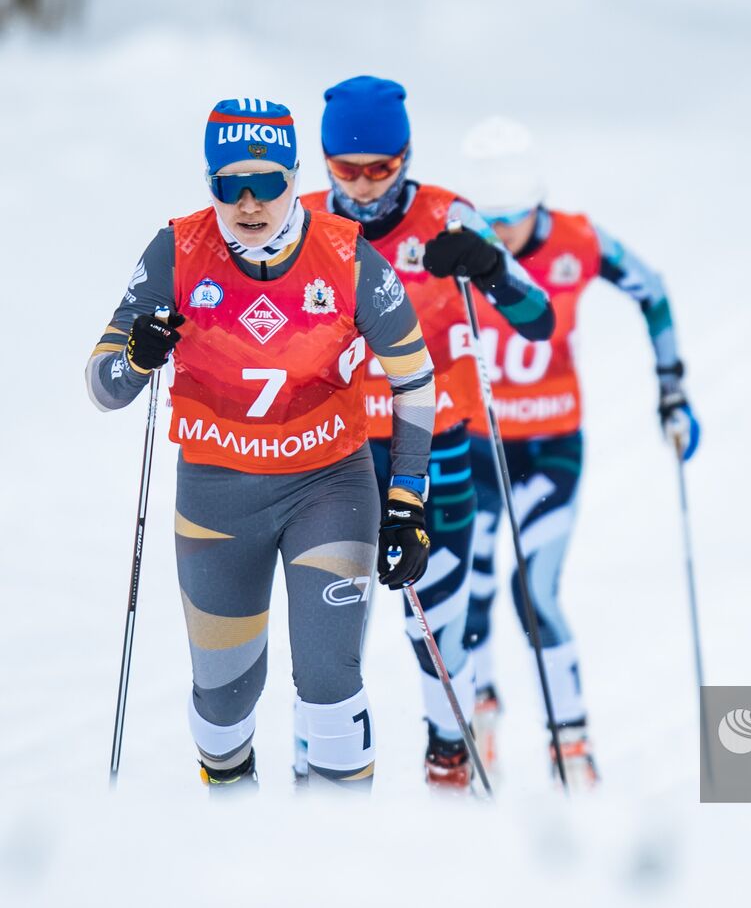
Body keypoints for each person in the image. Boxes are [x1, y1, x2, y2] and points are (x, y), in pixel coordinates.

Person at [86, 98, 436, 790]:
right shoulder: (177, 251)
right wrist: (137, 352)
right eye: (229, 185)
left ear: (295, 175)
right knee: (223, 700)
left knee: (330, 680)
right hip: (218, 499)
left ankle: (333, 863)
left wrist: (406, 497)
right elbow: (103, 386)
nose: (249, 203)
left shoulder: (346, 254)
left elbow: (414, 376)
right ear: (209, 182)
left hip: (328, 489)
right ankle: (238, 840)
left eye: (269, 183)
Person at [297, 77, 556, 789]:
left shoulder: (449, 216)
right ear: (323, 164)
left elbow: (539, 319)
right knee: (325, 628)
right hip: (336, 454)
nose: (364, 187)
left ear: (406, 157)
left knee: (435, 623)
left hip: (434, 450)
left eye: (381, 169)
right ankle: (317, 765)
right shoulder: (304, 223)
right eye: (345, 170)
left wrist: (490, 268)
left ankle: (451, 751)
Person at [457, 117, 700, 787]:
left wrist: (671, 388)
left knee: (534, 591)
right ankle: (479, 718)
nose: (500, 233)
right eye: (488, 217)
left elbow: (651, 288)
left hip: (550, 447)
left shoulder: (577, 240)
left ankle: (572, 742)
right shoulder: (452, 240)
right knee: (467, 591)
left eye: (513, 216)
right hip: (473, 445)